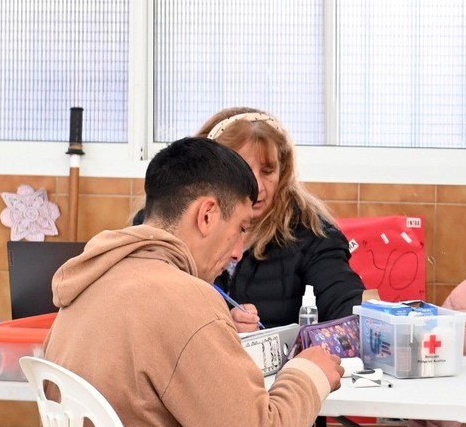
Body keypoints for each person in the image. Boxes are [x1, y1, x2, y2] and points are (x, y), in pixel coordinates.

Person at [45, 137, 344, 427]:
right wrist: (308, 373)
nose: (239, 252)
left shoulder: (85, 285)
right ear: (207, 216)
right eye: (242, 228)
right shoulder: (187, 301)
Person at [135, 107, 366, 332]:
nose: (256, 185)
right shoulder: (165, 222)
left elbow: (346, 304)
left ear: (283, 173)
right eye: (242, 169)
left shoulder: (313, 234)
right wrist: (221, 329)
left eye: (267, 171)